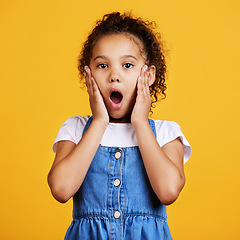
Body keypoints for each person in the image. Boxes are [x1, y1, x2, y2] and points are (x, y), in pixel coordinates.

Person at [48, 12, 191, 240]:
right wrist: (99, 121)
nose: (114, 75)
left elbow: (168, 191)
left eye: (127, 65)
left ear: (149, 74)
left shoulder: (165, 133)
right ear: (88, 74)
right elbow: (61, 189)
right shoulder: (76, 129)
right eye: (103, 65)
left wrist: (140, 123)